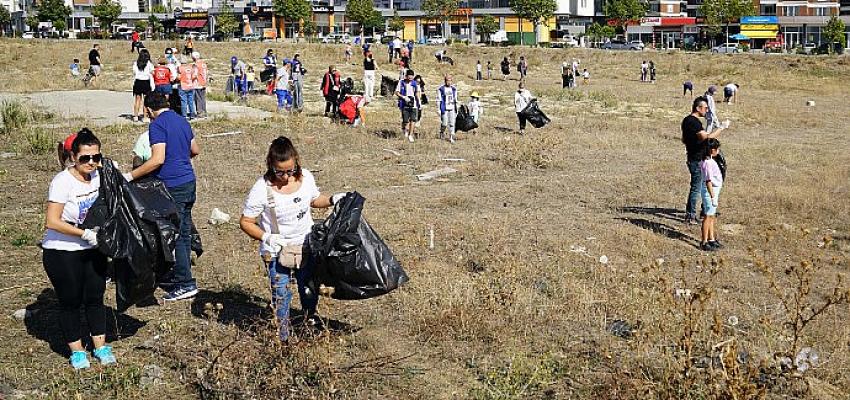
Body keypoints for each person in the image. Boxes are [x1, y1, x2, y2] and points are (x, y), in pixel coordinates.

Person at [239, 137, 347, 341]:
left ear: (296, 161)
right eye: (280, 172)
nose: (286, 176)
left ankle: (309, 323)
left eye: (290, 170)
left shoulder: (305, 177)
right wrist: (266, 236)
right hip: (278, 251)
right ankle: (283, 338)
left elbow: (314, 200)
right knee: (281, 294)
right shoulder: (261, 189)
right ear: (271, 165)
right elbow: (246, 221)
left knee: (308, 288)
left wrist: (333, 199)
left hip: (306, 245)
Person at [42, 128, 117, 370]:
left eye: (96, 157)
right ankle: (77, 351)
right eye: (85, 158)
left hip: (92, 248)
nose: (92, 163)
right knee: (71, 300)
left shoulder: (99, 175)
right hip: (62, 251)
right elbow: (52, 221)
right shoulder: (62, 182)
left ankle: (101, 346)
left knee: (95, 297)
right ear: (73, 157)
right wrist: (84, 233)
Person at [124, 92, 201, 301]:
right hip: (189, 181)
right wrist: (180, 158)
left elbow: (157, 159)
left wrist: (129, 176)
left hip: (172, 185)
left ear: (148, 109)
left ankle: (184, 283)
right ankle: (183, 277)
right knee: (184, 232)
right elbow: (195, 149)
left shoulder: (157, 125)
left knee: (172, 234)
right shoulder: (181, 120)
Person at [681, 96, 724, 225]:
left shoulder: (687, 120)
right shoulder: (693, 122)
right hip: (696, 159)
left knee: (702, 186)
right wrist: (721, 128)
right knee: (697, 187)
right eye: (705, 108)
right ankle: (691, 215)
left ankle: (705, 210)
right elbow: (706, 138)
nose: (707, 110)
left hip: (695, 157)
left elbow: (684, 139)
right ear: (698, 108)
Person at [699, 138, 724, 251]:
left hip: (714, 191)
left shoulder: (710, 160)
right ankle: (704, 241)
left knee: (712, 216)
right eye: (717, 149)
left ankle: (711, 239)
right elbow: (708, 181)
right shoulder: (707, 163)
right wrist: (713, 197)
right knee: (707, 217)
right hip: (710, 192)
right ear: (712, 150)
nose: (718, 150)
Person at [395, 69, 421, 143]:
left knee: (413, 120)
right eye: (409, 77)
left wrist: (419, 102)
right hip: (404, 104)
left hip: (414, 104)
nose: (410, 79)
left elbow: (417, 93)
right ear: (406, 76)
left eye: (412, 78)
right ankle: (404, 129)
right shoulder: (401, 82)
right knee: (405, 121)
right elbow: (397, 92)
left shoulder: (416, 84)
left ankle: (410, 134)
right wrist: (403, 97)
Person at [131, 49, 154, 123]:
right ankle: (145, 116)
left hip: (138, 82)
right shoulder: (149, 63)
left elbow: (134, 72)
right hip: (146, 82)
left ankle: (135, 116)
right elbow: (152, 72)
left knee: (137, 100)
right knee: (146, 100)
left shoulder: (136, 63)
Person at [436, 74, 459, 143]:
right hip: (444, 108)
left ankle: (451, 137)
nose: (449, 82)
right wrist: (438, 109)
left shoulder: (454, 89)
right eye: (447, 80)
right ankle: (442, 132)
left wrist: (456, 108)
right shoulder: (441, 89)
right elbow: (439, 99)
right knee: (444, 123)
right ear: (445, 81)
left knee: (452, 123)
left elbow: (456, 99)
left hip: (452, 108)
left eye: (450, 80)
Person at [192, 52, 209, 118]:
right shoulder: (204, 64)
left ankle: (200, 113)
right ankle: (204, 111)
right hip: (204, 83)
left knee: (198, 98)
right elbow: (207, 73)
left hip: (198, 83)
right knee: (203, 98)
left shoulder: (196, 65)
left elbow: (195, 75)